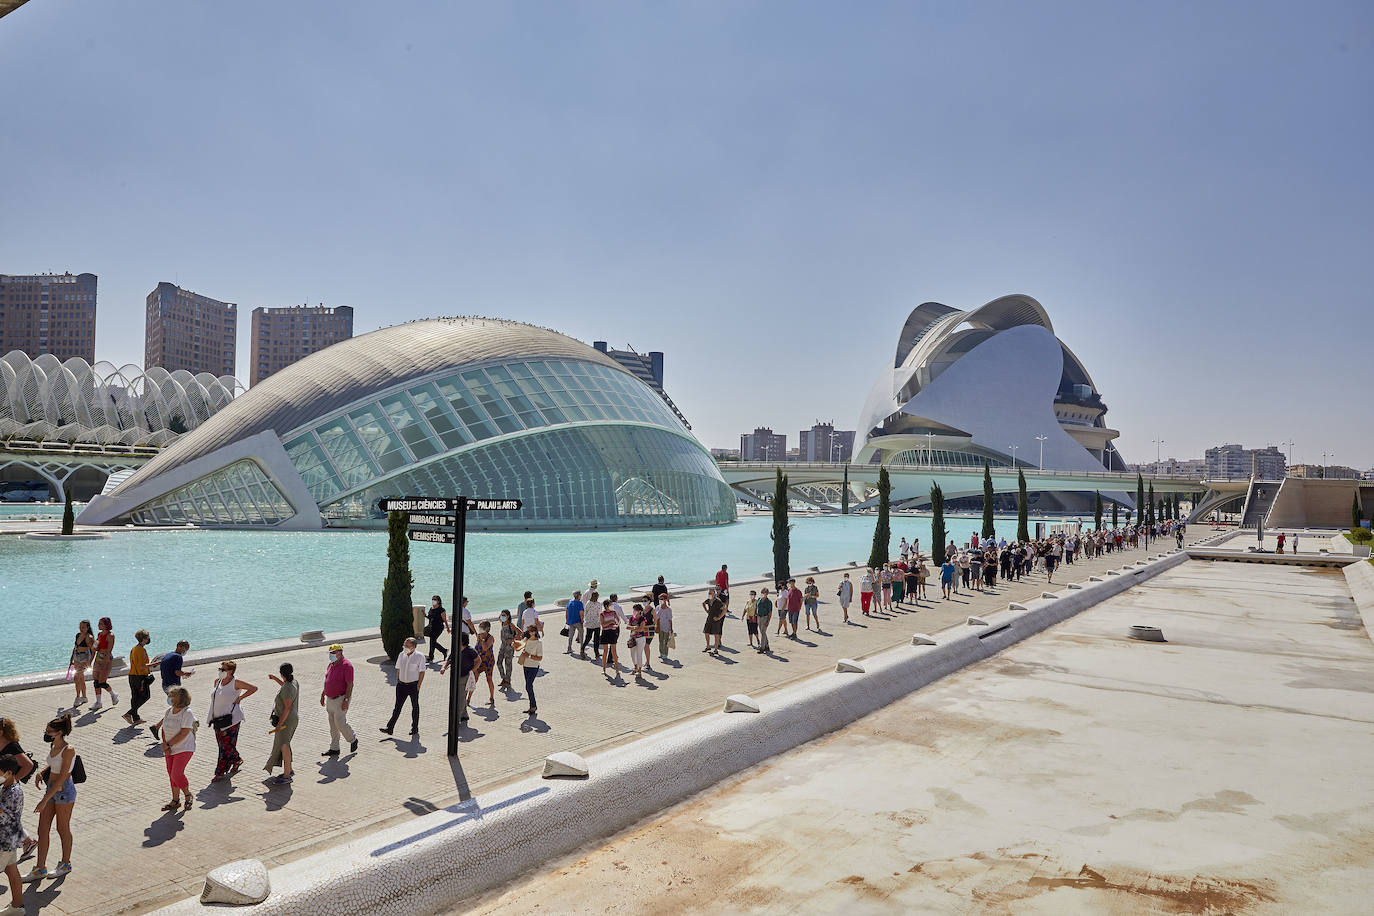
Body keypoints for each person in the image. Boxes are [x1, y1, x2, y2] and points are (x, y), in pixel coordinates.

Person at [24, 713, 76, 881]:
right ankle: (40, 868)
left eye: (49, 731)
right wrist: (42, 771)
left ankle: (65, 864)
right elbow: (54, 763)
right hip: (51, 789)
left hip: (64, 791)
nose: (46, 734)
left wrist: (44, 799)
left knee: (62, 828)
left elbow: (63, 775)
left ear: (59, 732)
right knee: (42, 829)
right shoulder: (53, 745)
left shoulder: (68, 749)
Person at [207, 660, 256, 783]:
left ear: (231, 671)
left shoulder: (236, 682)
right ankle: (237, 760)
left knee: (224, 747)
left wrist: (240, 698)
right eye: (220, 669)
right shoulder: (217, 682)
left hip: (232, 719)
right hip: (218, 719)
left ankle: (219, 773)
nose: (220, 671)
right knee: (223, 745)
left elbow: (253, 688)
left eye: (223, 669)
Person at [0, 720, 35, 861]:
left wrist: (13, 780)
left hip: (9, 787)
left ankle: (28, 842)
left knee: (8, 817)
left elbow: (28, 765)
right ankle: (28, 841)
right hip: (3, 784)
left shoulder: (12, 746)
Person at [157, 689, 195, 814]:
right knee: (171, 774)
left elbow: (184, 732)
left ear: (179, 698)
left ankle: (188, 795)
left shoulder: (187, 713)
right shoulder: (168, 711)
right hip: (169, 748)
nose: (168, 697)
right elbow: (164, 729)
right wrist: (165, 745)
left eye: (171, 695)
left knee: (176, 774)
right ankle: (175, 800)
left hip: (184, 747)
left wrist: (168, 744)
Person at [319, 644, 357, 757]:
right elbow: (327, 681)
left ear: (340, 652)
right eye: (330, 653)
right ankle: (334, 748)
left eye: (334, 653)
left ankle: (353, 739)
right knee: (332, 725)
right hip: (330, 699)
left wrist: (346, 700)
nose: (331, 655)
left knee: (340, 723)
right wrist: (323, 694)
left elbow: (350, 685)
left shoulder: (347, 666)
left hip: (341, 698)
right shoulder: (330, 665)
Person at [382, 638, 424, 737]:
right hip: (401, 685)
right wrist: (398, 681)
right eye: (404, 645)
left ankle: (414, 728)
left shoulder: (419, 657)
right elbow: (399, 669)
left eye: (406, 646)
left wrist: (419, 685)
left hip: (413, 685)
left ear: (413, 647)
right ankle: (390, 728)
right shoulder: (402, 655)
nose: (404, 647)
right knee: (397, 707)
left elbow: (422, 671)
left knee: (415, 707)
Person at [264, 663, 298, 785]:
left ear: (282, 673)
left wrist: (279, 724)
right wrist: (275, 679)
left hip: (287, 721)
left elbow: (287, 707)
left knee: (284, 745)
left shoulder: (288, 687)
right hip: (293, 718)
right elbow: (285, 686)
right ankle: (288, 769)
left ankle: (287, 775)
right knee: (286, 744)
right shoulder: (293, 682)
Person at [1, 755, 25, 915]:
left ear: (9, 772)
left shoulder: (14, 792)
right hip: (9, 839)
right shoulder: (6, 786)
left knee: (12, 871)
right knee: (12, 870)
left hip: (4, 841)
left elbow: (3, 814)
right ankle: (17, 907)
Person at [442, 634, 475, 727]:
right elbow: (448, 660)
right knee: (460, 696)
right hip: (455, 677)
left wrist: (472, 671)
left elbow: (478, 660)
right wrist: (443, 668)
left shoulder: (470, 651)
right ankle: (464, 715)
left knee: (460, 698)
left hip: (464, 677)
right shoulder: (455, 649)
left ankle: (456, 719)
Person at [123, 630, 154, 726]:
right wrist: (152, 665)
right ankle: (129, 713)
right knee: (145, 696)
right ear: (144, 639)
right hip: (139, 677)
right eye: (147, 637)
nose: (149, 639)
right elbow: (141, 666)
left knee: (135, 697)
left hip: (132, 676)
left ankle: (136, 718)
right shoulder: (141, 650)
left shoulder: (134, 648)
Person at [514, 626, 543, 716]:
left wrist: (529, 656)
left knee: (528, 686)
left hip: (534, 667)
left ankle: (533, 706)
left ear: (534, 632)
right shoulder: (526, 640)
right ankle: (532, 706)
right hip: (526, 666)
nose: (528, 632)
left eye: (529, 631)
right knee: (528, 686)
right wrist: (515, 645)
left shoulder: (538, 643)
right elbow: (518, 648)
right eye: (528, 631)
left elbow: (540, 658)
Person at [90, 617, 118, 710]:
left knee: (102, 681)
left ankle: (113, 694)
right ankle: (98, 702)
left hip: (106, 658)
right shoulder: (99, 634)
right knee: (96, 681)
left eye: (100, 624)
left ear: (106, 625)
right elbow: (97, 647)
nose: (98, 625)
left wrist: (105, 662)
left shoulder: (110, 635)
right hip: (99, 657)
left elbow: (109, 650)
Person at [68, 621, 94, 708]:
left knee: (76, 677)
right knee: (81, 678)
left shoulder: (89, 637)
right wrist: (71, 658)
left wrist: (89, 662)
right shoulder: (78, 635)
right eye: (80, 627)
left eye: (83, 627)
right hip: (76, 656)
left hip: (84, 657)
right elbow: (75, 647)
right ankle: (84, 697)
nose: (81, 629)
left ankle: (78, 697)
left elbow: (93, 650)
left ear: (88, 628)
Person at [470, 621, 496, 705]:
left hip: (488, 661)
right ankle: (468, 698)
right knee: (475, 678)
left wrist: (481, 640)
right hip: (479, 661)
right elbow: (476, 648)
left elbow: (485, 648)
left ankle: (492, 698)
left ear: (486, 629)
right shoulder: (479, 636)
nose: (480, 628)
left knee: (489, 679)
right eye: (480, 626)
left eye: (482, 626)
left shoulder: (490, 638)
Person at [598, 599, 623, 676]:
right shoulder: (602, 614)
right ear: (606, 606)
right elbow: (603, 624)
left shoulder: (614, 612)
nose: (612, 606)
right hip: (605, 633)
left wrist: (617, 625)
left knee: (614, 651)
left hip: (613, 632)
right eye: (610, 604)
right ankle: (604, 669)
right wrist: (611, 622)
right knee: (605, 651)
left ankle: (617, 670)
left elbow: (619, 620)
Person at [496, 610, 519, 690]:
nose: (502, 616)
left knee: (508, 665)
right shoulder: (502, 623)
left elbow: (520, 633)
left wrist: (512, 639)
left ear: (508, 616)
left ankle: (507, 681)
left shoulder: (511, 625)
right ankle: (504, 678)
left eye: (504, 615)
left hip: (509, 648)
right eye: (501, 615)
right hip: (502, 646)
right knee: (498, 663)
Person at [627, 604, 651, 677]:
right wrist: (635, 627)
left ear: (639, 611)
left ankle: (639, 670)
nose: (634, 611)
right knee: (632, 654)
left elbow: (641, 629)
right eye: (634, 609)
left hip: (641, 638)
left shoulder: (642, 618)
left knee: (639, 654)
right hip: (632, 638)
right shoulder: (631, 618)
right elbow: (627, 627)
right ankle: (635, 668)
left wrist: (633, 628)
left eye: (636, 610)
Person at [424, 595, 450, 665]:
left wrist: (448, 628)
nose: (433, 600)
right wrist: (425, 615)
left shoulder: (441, 610)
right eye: (432, 599)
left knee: (432, 641)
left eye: (435, 599)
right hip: (431, 627)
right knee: (433, 642)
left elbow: (445, 620)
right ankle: (444, 651)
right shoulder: (431, 608)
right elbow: (430, 617)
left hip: (439, 628)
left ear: (438, 601)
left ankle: (431, 657)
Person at [702, 587, 726, 653]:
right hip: (709, 619)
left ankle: (716, 649)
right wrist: (706, 610)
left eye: (710, 593)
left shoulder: (718, 601)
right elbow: (703, 603)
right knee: (706, 632)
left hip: (716, 620)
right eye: (708, 593)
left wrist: (719, 617)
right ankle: (708, 646)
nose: (709, 594)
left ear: (714, 594)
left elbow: (724, 609)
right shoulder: (708, 600)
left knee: (716, 634)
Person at [579, 590, 601, 659]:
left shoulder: (588, 603)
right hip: (597, 623)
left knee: (588, 637)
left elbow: (585, 612)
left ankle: (582, 649)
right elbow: (600, 613)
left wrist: (586, 619)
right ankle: (596, 653)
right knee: (596, 639)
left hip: (589, 623)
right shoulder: (599, 604)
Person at [653, 593, 674, 660]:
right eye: (660, 599)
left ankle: (665, 654)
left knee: (666, 641)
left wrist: (671, 629)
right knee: (660, 641)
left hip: (666, 627)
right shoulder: (658, 607)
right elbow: (656, 617)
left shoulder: (669, 609)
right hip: (660, 627)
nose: (660, 600)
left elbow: (670, 620)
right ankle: (661, 653)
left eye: (662, 599)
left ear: (665, 600)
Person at [564, 590, 585, 655]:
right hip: (578, 621)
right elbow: (581, 613)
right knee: (581, 635)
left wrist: (567, 620)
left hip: (571, 621)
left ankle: (569, 648)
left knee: (571, 636)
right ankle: (582, 649)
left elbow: (567, 612)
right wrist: (582, 621)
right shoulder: (580, 603)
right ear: (578, 596)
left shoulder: (570, 602)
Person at [754, 587, 773, 654]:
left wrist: (768, 621)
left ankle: (762, 648)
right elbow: (756, 607)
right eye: (761, 592)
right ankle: (767, 645)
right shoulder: (759, 599)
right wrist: (755, 615)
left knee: (763, 632)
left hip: (764, 617)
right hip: (758, 617)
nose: (762, 593)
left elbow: (770, 613)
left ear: (766, 594)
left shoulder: (768, 602)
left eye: (763, 592)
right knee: (763, 632)